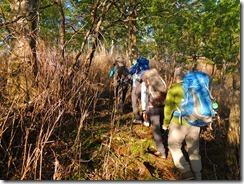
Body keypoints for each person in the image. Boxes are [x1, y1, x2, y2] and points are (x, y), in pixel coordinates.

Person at [163, 67, 202, 180]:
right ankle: (198, 176)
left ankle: (186, 171)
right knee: (194, 151)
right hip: (196, 123)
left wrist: (165, 124)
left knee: (173, 145)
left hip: (179, 123)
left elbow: (168, 108)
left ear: (176, 77)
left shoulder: (175, 88)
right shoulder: (197, 88)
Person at [141, 68, 168, 158]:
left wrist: (144, 110)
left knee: (156, 130)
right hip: (163, 106)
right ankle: (164, 143)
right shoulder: (161, 79)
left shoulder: (147, 82)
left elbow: (145, 96)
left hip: (153, 107)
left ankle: (162, 152)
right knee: (160, 127)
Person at [127, 57, 150, 123]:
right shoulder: (148, 68)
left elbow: (128, 73)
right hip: (146, 87)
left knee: (134, 103)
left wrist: (132, 77)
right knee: (146, 102)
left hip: (136, 87)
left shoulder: (136, 67)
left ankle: (138, 118)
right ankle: (147, 118)